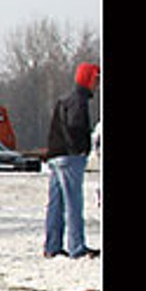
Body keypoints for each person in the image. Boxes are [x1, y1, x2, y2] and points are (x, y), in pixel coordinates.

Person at [43, 61, 100, 259]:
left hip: (56, 155)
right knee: (74, 203)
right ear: (88, 79)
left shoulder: (65, 99)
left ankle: (52, 246)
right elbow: (75, 127)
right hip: (70, 157)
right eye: (96, 79)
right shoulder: (79, 100)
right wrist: (81, 149)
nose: (97, 85)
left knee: (56, 204)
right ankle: (77, 247)